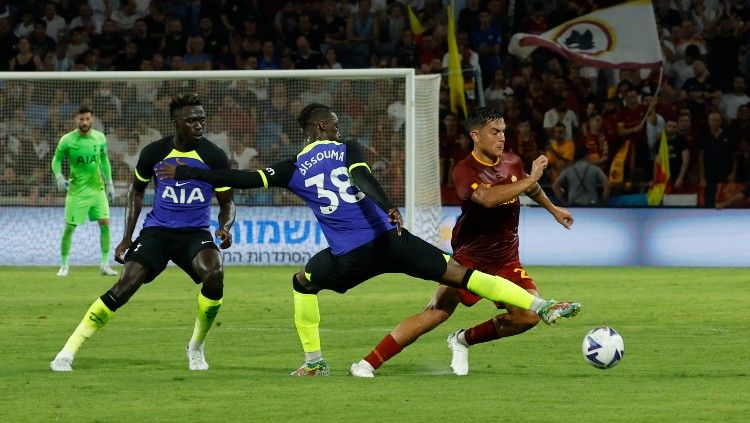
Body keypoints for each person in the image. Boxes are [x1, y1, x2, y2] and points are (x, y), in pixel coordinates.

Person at [156, 103, 581, 377]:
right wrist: (388, 206)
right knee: (462, 274)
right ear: (323, 126)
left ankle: (314, 362)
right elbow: (361, 176)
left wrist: (190, 171)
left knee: (303, 283)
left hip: (350, 257)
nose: (340, 129)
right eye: (335, 124)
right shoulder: (348, 147)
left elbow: (239, 179)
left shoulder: (289, 167)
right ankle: (540, 304)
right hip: (393, 238)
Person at [350, 107, 576, 378]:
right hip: (469, 261)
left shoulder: (513, 162)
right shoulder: (464, 170)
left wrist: (554, 210)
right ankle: (367, 363)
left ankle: (462, 340)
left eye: (504, 131)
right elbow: (486, 198)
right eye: (494, 132)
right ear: (476, 135)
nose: (501, 137)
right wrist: (531, 178)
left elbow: (530, 188)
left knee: (528, 316)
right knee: (435, 313)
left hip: (506, 260)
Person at [50, 93, 236, 372]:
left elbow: (227, 202)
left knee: (215, 274)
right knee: (124, 286)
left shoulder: (214, 156)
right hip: (157, 232)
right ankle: (67, 351)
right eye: (191, 120)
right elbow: (136, 192)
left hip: (194, 233)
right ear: (175, 122)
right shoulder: (154, 153)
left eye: (201, 119)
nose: (199, 125)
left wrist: (225, 226)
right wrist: (127, 237)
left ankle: (196, 346)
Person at [51, 106, 118, 277]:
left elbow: (104, 160)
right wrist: (59, 177)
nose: (85, 122)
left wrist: (110, 183)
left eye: (87, 119)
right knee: (69, 228)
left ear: (92, 119)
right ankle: (64, 265)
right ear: (76, 120)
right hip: (77, 192)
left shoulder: (100, 138)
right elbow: (56, 160)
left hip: (98, 190)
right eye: (81, 119)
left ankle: (104, 264)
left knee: (105, 224)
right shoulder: (67, 140)